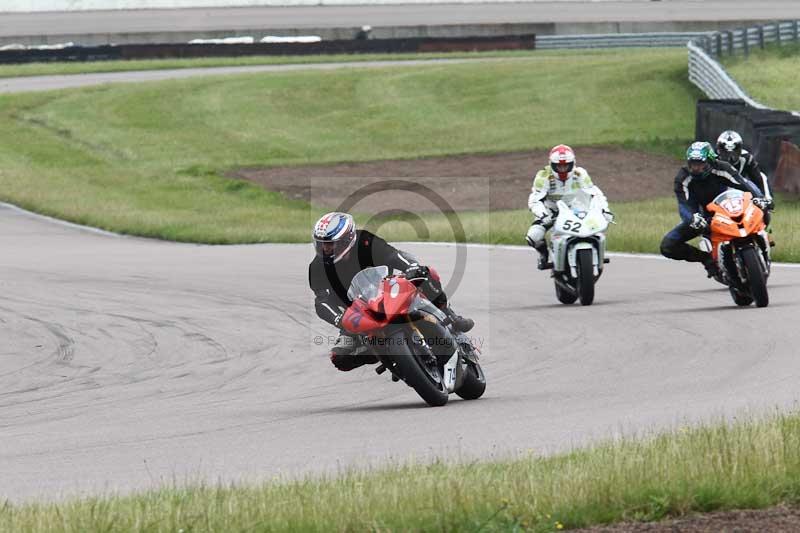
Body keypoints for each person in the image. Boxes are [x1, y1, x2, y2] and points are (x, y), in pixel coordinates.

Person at [309, 212, 474, 371]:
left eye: (330, 244)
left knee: (426, 273)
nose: (325, 249)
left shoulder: (365, 241)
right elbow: (322, 301)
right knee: (339, 358)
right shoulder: (317, 268)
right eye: (321, 244)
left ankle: (449, 315)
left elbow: (393, 256)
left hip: (390, 291)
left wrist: (411, 268)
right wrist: (340, 319)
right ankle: (385, 355)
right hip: (358, 315)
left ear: (347, 240)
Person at [660, 141, 770, 277]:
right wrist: (692, 218)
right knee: (667, 246)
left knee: (763, 211)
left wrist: (760, 198)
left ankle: (763, 243)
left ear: (710, 161)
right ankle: (707, 259)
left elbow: (744, 184)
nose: (696, 168)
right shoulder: (683, 178)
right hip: (702, 218)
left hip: (730, 209)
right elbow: (683, 204)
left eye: (700, 164)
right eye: (692, 164)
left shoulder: (723, 168)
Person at [525, 144, 613, 269]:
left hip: (577, 209)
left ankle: (597, 253)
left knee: (601, 226)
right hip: (552, 212)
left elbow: (595, 193)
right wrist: (542, 214)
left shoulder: (580, 173)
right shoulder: (543, 176)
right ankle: (544, 255)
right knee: (533, 236)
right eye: (559, 166)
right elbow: (534, 200)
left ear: (573, 163)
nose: (563, 169)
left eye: (566, 165)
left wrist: (605, 210)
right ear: (552, 165)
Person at [716, 130, 774, 210]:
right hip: (719, 192)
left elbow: (758, 178)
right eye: (726, 152)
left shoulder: (746, 158)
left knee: (755, 181)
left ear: (740, 150)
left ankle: (764, 205)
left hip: (741, 190)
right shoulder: (713, 160)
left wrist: (766, 198)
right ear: (719, 150)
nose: (730, 157)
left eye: (734, 152)